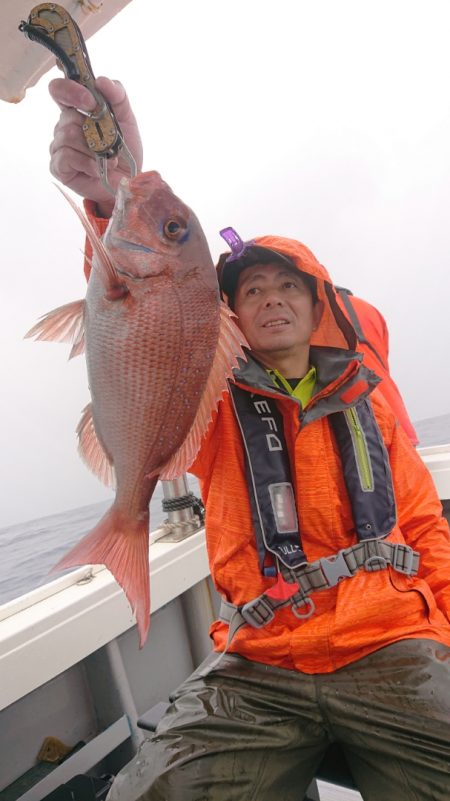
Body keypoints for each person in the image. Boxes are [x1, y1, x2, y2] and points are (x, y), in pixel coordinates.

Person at [48, 77, 450, 801]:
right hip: (261, 658)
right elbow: (145, 326)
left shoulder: (373, 409)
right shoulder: (214, 411)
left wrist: (443, 636)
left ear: (317, 302)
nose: (271, 299)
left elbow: (425, 527)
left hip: (392, 642)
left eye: (287, 287)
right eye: (252, 291)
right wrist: (110, 191)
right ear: (229, 315)